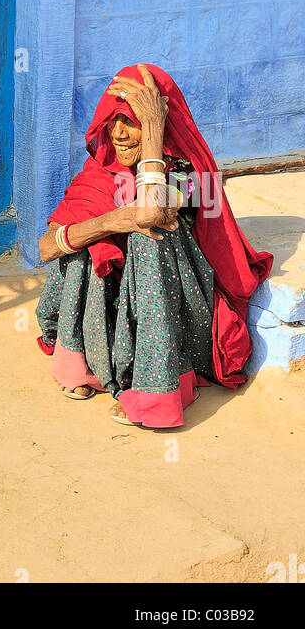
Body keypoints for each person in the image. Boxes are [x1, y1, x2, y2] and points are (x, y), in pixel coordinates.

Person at [36, 63, 273, 428]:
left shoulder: (189, 172)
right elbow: (47, 247)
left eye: (132, 120)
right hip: (115, 305)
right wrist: (108, 222)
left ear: (160, 122)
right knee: (85, 239)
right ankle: (88, 364)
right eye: (113, 120)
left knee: (152, 236)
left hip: (173, 308)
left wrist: (153, 130)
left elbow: (148, 212)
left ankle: (157, 386)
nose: (118, 133)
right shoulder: (99, 172)